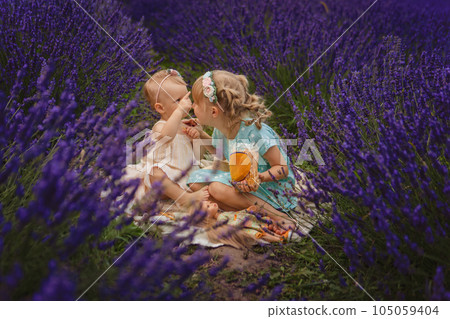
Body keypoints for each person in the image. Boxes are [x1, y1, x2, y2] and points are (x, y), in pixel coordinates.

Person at [186, 70, 297, 229]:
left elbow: (282, 168)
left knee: (215, 189)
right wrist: (200, 134)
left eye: (196, 103)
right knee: (196, 183)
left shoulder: (255, 133)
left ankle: (276, 215)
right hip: (241, 181)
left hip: (272, 188)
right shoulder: (222, 127)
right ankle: (253, 212)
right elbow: (220, 151)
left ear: (213, 112)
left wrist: (259, 178)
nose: (192, 106)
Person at [124, 69, 209, 208]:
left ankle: (186, 194)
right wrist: (180, 111)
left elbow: (197, 157)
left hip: (184, 176)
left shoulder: (187, 126)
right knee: (155, 173)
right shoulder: (161, 127)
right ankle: (183, 198)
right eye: (178, 100)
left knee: (204, 180)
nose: (185, 103)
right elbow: (167, 136)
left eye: (185, 97)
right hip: (160, 181)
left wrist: (196, 139)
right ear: (160, 108)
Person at [193, 200, 291, 248]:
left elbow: (235, 214)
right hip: (245, 227)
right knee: (263, 234)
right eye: (208, 206)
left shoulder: (223, 213)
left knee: (264, 225)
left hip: (247, 221)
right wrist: (242, 219)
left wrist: (246, 211)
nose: (212, 203)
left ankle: (279, 233)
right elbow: (232, 224)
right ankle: (279, 239)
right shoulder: (220, 218)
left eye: (209, 202)